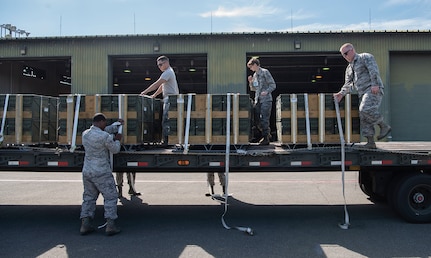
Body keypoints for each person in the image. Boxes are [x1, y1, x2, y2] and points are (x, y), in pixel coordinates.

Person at [334, 43, 391, 149]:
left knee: (364, 109)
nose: (345, 56)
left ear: (352, 50)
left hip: (372, 90)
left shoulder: (365, 57)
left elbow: (373, 70)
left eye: (346, 53)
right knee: (364, 117)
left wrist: (375, 84)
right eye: (343, 55)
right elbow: (348, 84)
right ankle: (370, 142)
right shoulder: (349, 68)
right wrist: (341, 93)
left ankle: (384, 126)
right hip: (363, 93)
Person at [80, 113, 123, 236]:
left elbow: (103, 131)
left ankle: (85, 224)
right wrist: (118, 140)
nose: (105, 125)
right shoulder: (105, 137)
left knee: (89, 197)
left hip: (87, 170)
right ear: (100, 122)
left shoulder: (85, 134)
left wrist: (115, 125)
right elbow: (115, 150)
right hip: (101, 171)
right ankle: (110, 225)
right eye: (104, 123)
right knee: (110, 196)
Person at [140, 56, 179, 145]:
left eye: (161, 64)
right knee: (166, 120)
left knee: (166, 120)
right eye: (158, 65)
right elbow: (162, 86)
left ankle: (167, 141)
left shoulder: (168, 72)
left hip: (170, 99)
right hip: (169, 99)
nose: (159, 67)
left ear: (166, 63)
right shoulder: (168, 72)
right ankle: (167, 140)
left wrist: (144, 92)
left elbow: (157, 84)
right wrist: (154, 95)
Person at [247, 58, 276, 145]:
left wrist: (267, 91)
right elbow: (253, 89)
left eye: (251, 66)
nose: (250, 69)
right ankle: (266, 133)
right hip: (258, 100)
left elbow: (273, 85)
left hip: (266, 100)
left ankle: (266, 137)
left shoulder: (265, 72)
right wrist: (251, 82)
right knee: (256, 119)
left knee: (264, 119)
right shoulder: (255, 75)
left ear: (255, 65)